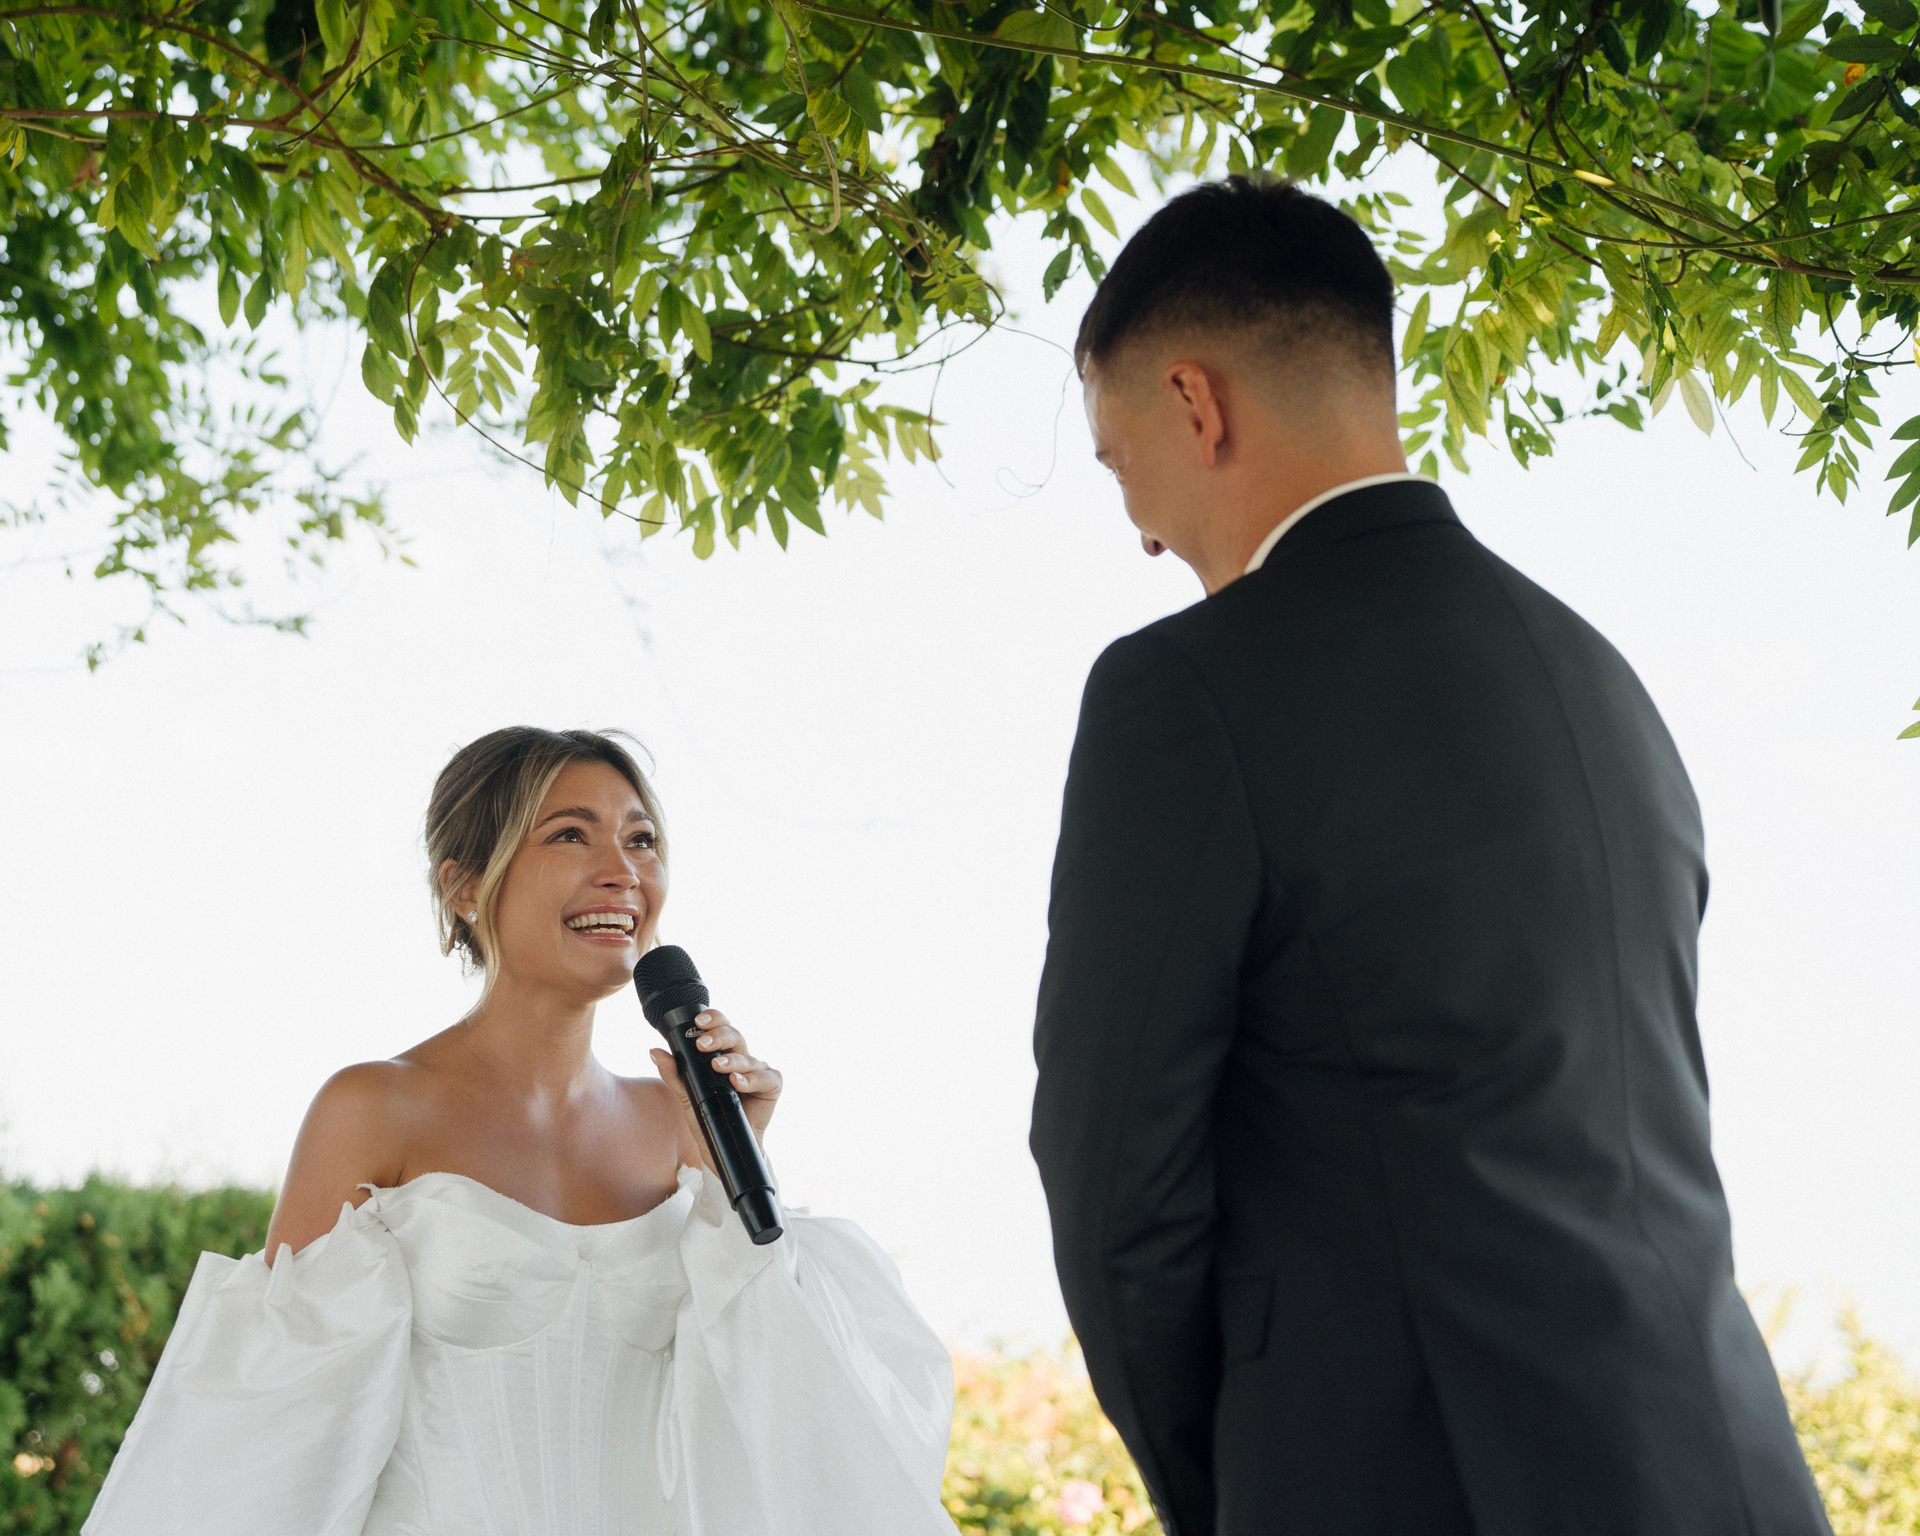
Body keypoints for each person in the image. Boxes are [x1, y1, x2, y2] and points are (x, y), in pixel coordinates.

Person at [1028, 178, 1830, 1536]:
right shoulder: (1602, 681)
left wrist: (1239, 1493)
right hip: (1727, 1470)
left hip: (1418, 1482)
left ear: (1195, 403)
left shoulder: (1188, 690)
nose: (1142, 532)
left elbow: (1115, 1185)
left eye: (1119, 467)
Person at [87, 726, 955, 1536]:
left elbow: (796, 1427)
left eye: (642, 839)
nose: (622, 871)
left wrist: (731, 1175)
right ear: (465, 887)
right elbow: (264, 1440)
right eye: (571, 835)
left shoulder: (682, 1123)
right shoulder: (374, 1108)